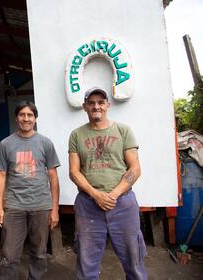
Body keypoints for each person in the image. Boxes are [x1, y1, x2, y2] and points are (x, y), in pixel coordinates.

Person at [68, 87, 147, 279]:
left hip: (123, 204)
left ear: (108, 105)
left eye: (101, 102)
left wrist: (113, 195)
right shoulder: (76, 135)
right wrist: (96, 195)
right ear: (85, 107)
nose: (97, 106)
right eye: (92, 103)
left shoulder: (123, 130)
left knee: (134, 260)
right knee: (86, 264)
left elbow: (135, 168)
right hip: (88, 205)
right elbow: (74, 171)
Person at [0, 100, 60, 280]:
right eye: (22, 115)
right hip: (15, 206)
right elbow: (1, 175)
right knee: (9, 254)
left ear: (35, 119)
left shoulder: (45, 143)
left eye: (30, 115)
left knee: (39, 252)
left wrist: (55, 208)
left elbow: (53, 176)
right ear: (16, 118)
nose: (26, 118)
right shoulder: (6, 144)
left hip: (40, 205)